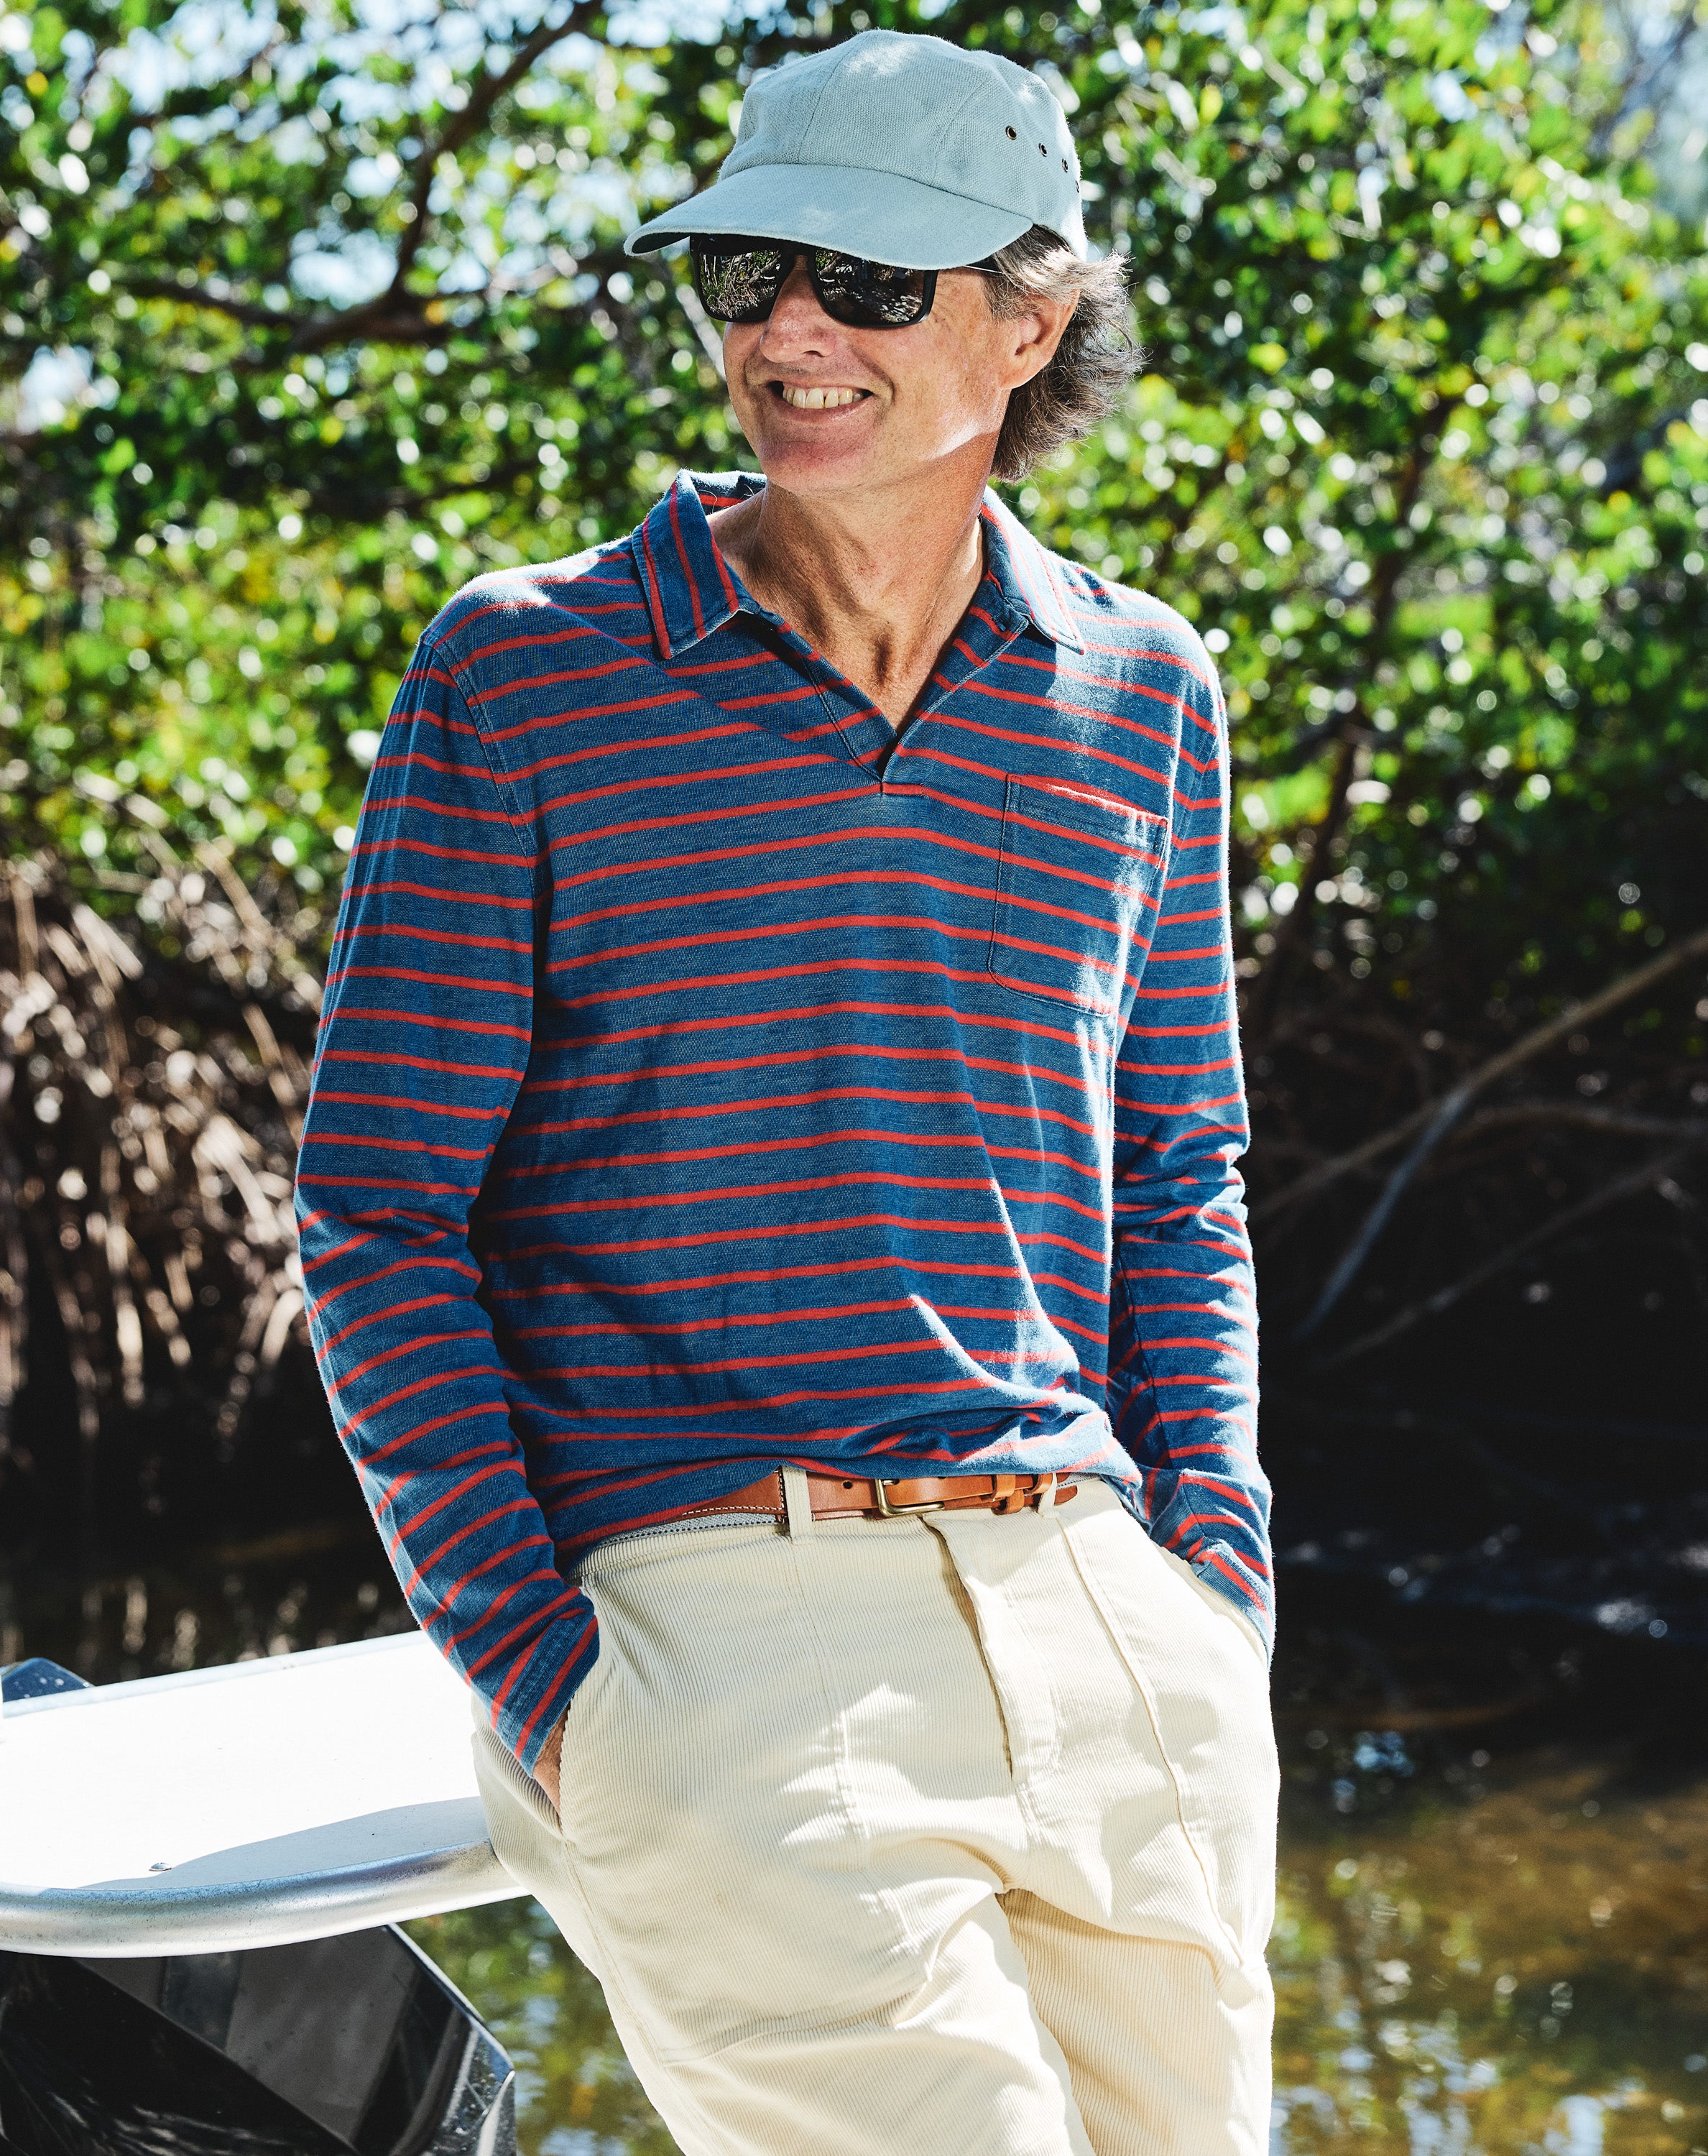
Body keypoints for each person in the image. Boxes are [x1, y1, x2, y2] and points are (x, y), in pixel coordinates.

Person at [297, 28, 1275, 2155]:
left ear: (1031, 325)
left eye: (872, 282)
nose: (791, 330)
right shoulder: (523, 675)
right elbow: (377, 1208)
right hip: (717, 1622)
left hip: (1104, 1618)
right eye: (749, 274)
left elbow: (1179, 1169)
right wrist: (554, 1684)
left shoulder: (1143, 690)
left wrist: (1212, 1575)